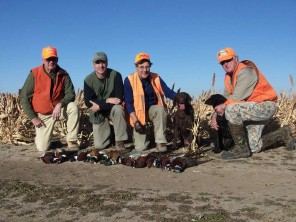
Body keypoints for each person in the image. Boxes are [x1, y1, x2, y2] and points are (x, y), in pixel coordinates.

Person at [212, 47, 295, 159]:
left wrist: (221, 109)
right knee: (253, 147)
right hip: (250, 110)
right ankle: (282, 133)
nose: (225, 64)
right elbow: (225, 99)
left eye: (228, 60)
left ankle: (241, 149)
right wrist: (215, 114)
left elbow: (236, 98)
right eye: (222, 62)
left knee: (231, 109)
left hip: (265, 106)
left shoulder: (245, 71)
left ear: (235, 58)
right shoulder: (228, 77)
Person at [20, 46, 80, 154]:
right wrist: (33, 118)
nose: (51, 62)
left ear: (57, 59)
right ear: (43, 60)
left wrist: (60, 104)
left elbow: (71, 94)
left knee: (73, 107)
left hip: (58, 112)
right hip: (43, 116)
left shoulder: (64, 74)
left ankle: (72, 141)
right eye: (48, 59)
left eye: (54, 59)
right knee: (43, 148)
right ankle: (45, 139)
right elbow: (24, 97)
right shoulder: (34, 74)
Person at [124, 52, 176, 153]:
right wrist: (136, 122)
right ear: (136, 67)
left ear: (150, 67)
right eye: (141, 67)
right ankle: (146, 138)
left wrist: (181, 97)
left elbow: (168, 92)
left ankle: (160, 142)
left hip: (153, 110)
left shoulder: (156, 77)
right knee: (141, 148)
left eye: (147, 67)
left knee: (160, 109)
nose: (144, 70)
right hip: (138, 115)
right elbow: (128, 102)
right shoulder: (129, 80)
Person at [84, 52, 128, 150]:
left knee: (118, 109)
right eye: (97, 63)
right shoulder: (88, 80)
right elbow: (88, 102)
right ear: (93, 64)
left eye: (103, 62)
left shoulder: (116, 75)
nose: (101, 65)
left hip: (110, 109)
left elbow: (118, 99)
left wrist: (100, 105)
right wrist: (107, 100)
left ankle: (120, 141)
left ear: (107, 63)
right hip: (98, 112)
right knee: (100, 146)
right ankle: (111, 133)